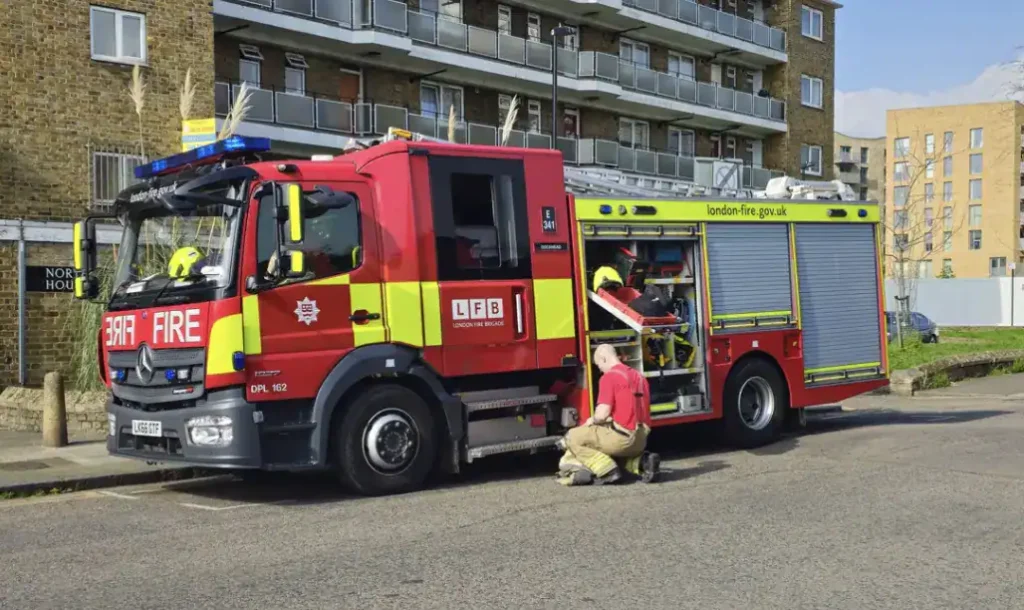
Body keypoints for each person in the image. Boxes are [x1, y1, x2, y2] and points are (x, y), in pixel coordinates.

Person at [557, 344, 660, 485]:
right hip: (641, 440)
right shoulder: (639, 377)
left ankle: (607, 471)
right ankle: (642, 463)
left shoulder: (609, 377)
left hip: (622, 439)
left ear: (604, 359)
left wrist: (591, 421)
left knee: (573, 436)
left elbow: (602, 414)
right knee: (605, 441)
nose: (599, 369)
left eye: (598, 365)